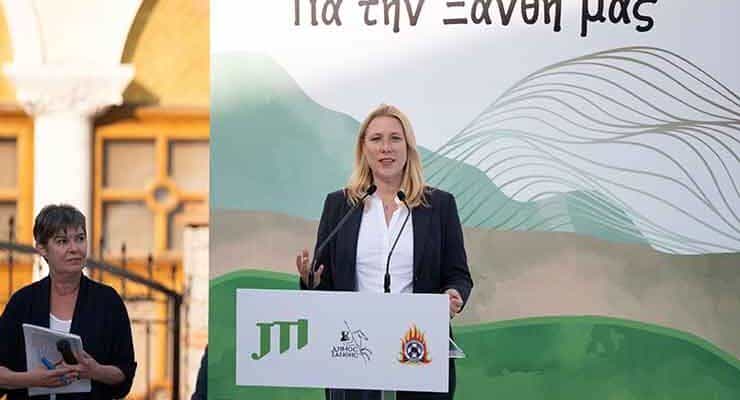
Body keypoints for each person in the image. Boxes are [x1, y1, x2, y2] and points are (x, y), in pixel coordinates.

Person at [296, 104, 473, 400]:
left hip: (419, 343)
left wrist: (453, 294)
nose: (385, 148)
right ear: (363, 148)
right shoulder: (340, 205)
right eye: (376, 139)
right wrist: (311, 281)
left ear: (409, 147)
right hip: (352, 346)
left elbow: (458, 274)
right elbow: (325, 282)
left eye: (395, 138)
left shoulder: (439, 205)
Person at [0, 204, 137, 399]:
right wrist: (33, 379)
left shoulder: (108, 301)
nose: (74, 249)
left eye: (80, 238)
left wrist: (95, 371)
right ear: (42, 248)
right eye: (62, 241)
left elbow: (124, 373)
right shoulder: (22, 302)